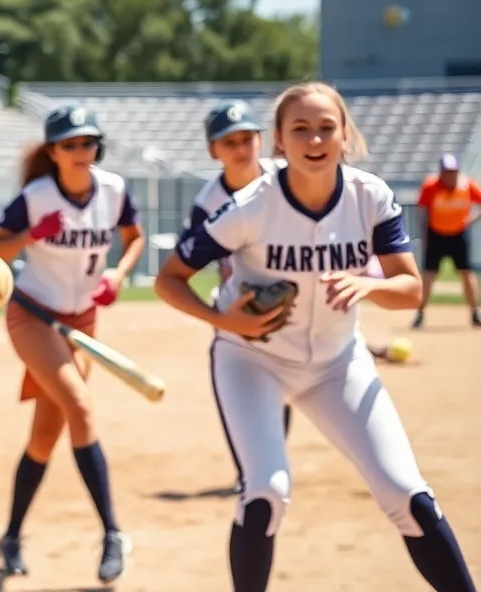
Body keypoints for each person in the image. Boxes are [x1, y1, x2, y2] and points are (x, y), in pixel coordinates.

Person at [154, 81, 475, 592]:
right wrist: (227, 322)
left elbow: (411, 288)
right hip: (251, 359)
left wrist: (368, 284)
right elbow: (168, 279)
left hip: (336, 364)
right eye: (299, 128)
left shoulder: (370, 195)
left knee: (407, 494)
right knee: (266, 493)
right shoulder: (250, 205)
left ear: (345, 134)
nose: (315, 139)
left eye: (326, 127)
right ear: (279, 140)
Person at [0, 103, 144, 584]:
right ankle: (114, 533)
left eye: (88, 142)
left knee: (45, 436)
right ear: (53, 152)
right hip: (33, 314)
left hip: (83, 321)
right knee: (80, 404)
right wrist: (34, 234)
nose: (81, 152)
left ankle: (10, 536)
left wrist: (119, 272)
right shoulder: (36, 196)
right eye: (70, 144)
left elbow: (135, 237)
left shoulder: (112, 190)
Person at [182, 101, 292, 488]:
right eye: (230, 142)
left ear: (261, 140)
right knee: (239, 387)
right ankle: (248, 471)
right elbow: (185, 264)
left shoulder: (288, 178)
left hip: (294, 299)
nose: (241, 148)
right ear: (214, 151)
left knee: (285, 385)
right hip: (237, 304)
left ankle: (271, 459)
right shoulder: (208, 202)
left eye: (247, 138)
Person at [410, 153, 481, 328]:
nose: (450, 176)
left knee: (466, 274)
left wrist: (471, 220)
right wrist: (425, 236)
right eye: (447, 172)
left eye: (453, 172)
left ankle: (475, 313)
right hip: (436, 235)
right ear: (441, 173)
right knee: (428, 276)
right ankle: (420, 313)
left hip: (459, 235)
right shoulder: (431, 186)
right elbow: (423, 212)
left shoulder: (467, 185)